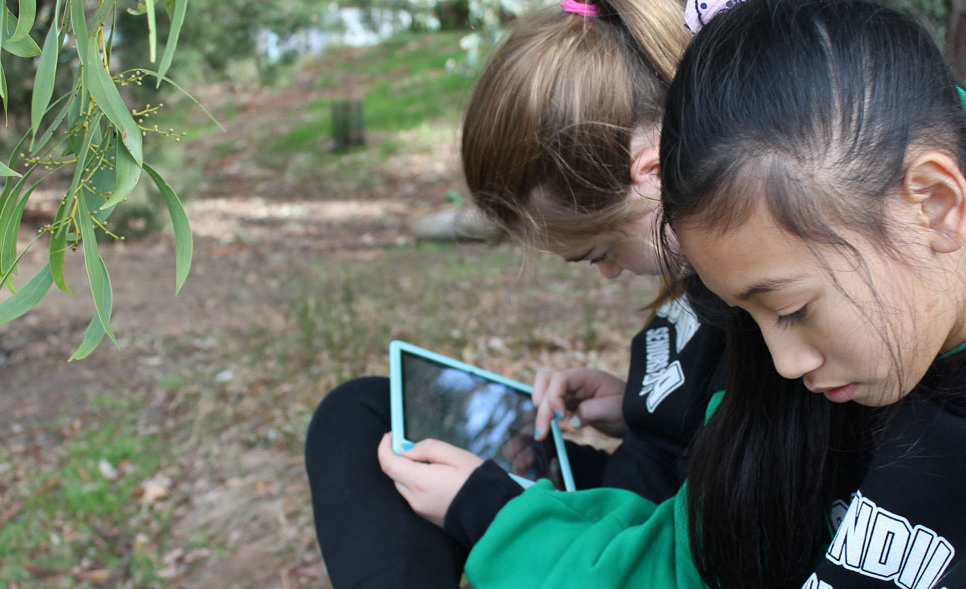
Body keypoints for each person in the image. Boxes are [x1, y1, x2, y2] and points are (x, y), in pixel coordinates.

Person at [654, 0, 966, 587]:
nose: (785, 363)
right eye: (751, 319)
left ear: (934, 204)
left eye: (793, 309)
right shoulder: (865, 382)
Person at [303, 0, 728, 586]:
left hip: (640, 541)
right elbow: (698, 413)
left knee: (412, 457)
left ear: (650, 176)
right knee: (361, 413)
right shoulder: (698, 271)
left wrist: (484, 508)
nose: (607, 274)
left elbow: (686, 552)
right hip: (624, 492)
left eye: (600, 252)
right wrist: (639, 407)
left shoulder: (758, 302)